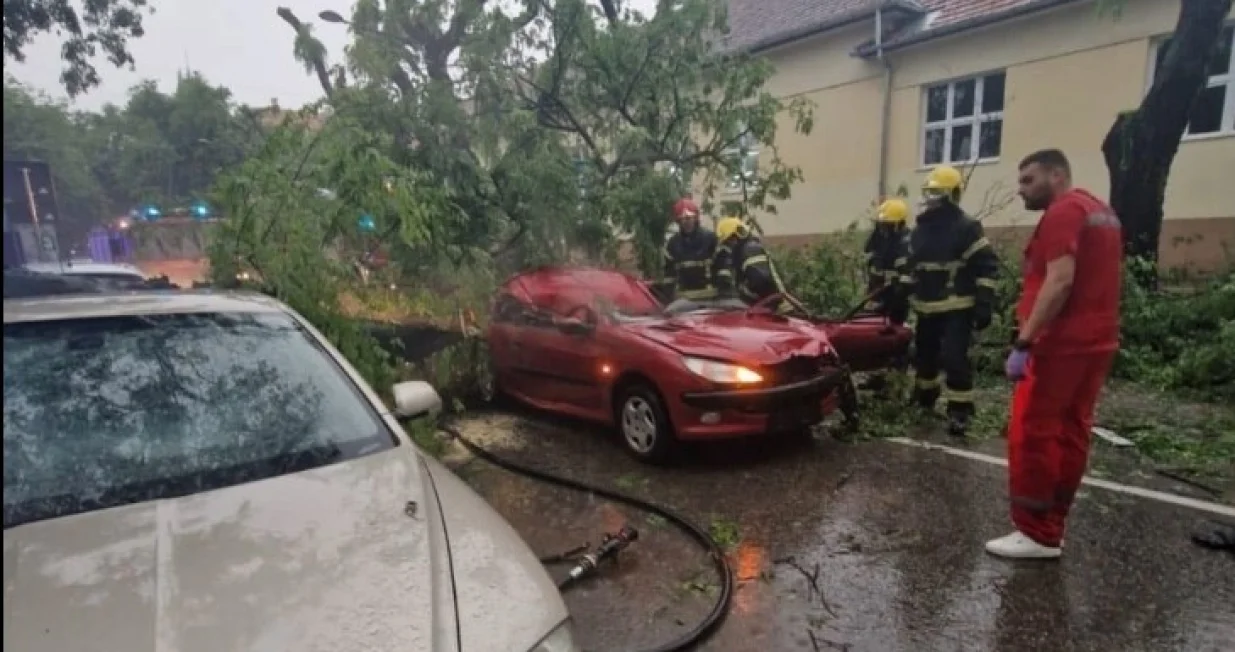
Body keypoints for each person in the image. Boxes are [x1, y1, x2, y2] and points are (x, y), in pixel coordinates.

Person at [986, 149, 1122, 560]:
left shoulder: (1064, 212)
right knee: (1071, 430)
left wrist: (1025, 341)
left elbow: (1059, 281)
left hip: (1059, 344)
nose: (1021, 189)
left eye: (1029, 180)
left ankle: (1036, 532)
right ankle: (1053, 521)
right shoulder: (1101, 211)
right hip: (1096, 341)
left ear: (1056, 174)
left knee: (1033, 431)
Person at [896, 165, 999, 437]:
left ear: (952, 194)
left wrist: (984, 303)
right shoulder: (919, 230)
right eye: (930, 194)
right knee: (924, 357)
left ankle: (959, 410)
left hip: (957, 307)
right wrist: (902, 292)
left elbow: (986, 265)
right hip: (926, 307)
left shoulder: (966, 227)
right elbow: (910, 266)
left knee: (954, 358)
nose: (933, 200)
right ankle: (925, 399)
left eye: (938, 194)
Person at [858, 198, 912, 392]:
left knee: (895, 342)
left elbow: (907, 276)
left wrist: (898, 298)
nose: (884, 229)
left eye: (887, 225)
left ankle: (895, 383)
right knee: (875, 339)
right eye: (881, 224)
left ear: (898, 224)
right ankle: (877, 378)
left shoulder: (905, 243)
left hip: (896, 299)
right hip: (877, 297)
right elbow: (871, 265)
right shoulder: (879, 240)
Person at [713, 215, 791, 309]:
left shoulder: (750, 250)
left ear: (738, 234)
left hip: (774, 304)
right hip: (765, 304)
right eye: (727, 242)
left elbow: (761, 282)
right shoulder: (742, 251)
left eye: (730, 240)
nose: (729, 245)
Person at [659, 196, 719, 306]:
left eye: (689, 218)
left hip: (711, 300)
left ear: (696, 218)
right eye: (682, 219)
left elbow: (722, 266)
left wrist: (726, 292)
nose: (686, 222)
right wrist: (666, 298)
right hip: (685, 301)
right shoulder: (672, 244)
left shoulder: (710, 238)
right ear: (678, 221)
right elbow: (669, 275)